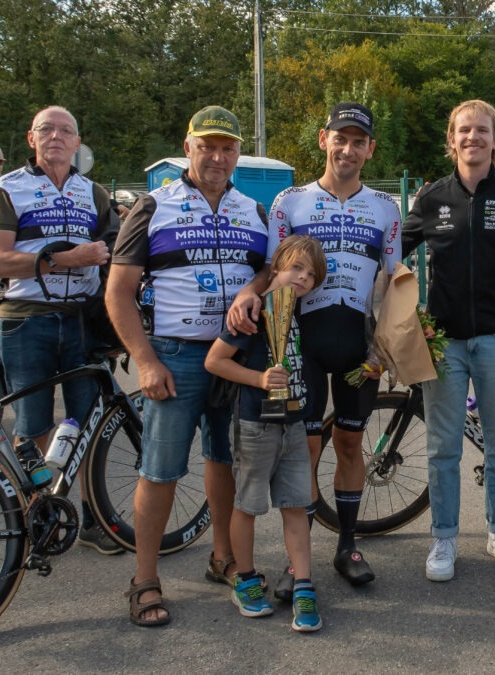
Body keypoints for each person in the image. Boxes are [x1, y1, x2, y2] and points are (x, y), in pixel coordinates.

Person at [228, 102, 402, 596]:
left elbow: (396, 280)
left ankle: (347, 544)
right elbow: (270, 271)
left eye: (359, 141)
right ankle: (295, 561)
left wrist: (386, 347)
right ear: (324, 140)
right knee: (303, 451)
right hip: (300, 345)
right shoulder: (290, 202)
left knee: (349, 443)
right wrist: (248, 293)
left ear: (370, 150)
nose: (348, 149)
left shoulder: (386, 209)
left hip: (356, 348)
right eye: (340, 138)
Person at [107, 105, 269, 626]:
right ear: (188, 147)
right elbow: (118, 292)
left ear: (238, 152)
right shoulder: (155, 205)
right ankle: (145, 579)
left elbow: (269, 270)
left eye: (227, 147)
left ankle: (222, 558)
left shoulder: (251, 208)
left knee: (224, 461)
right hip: (175, 356)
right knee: (160, 470)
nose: (218, 157)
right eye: (208, 146)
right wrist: (145, 360)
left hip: (233, 356)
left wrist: (253, 287)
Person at [402, 99, 495, 582]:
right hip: (443, 341)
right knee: (443, 445)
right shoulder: (431, 199)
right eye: (464, 130)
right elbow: (390, 250)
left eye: (482, 130)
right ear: (452, 140)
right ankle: (444, 538)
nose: (473, 137)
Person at [0, 106, 120, 554]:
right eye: (46, 130)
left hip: (82, 318)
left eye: (66, 131)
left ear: (77, 142)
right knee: (33, 424)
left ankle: (93, 519)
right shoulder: (7, 189)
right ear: (31, 138)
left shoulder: (95, 192)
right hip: (27, 316)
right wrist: (62, 259)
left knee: (86, 421)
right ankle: (39, 512)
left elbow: (116, 256)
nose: (56, 137)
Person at [205, 235, 326, 632]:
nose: (303, 278)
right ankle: (246, 579)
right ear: (275, 270)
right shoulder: (253, 314)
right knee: (249, 505)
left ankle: (305, 585)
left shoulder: (303, 316)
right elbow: (215, 361)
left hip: (293, 423)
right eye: (296, 268)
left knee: (296, 505)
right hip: (255, 425)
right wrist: (258, 378)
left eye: (311, 275)